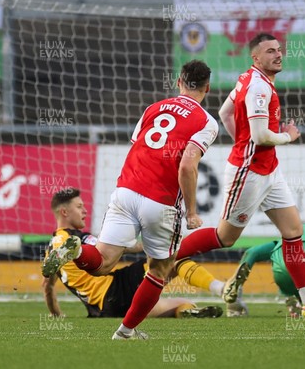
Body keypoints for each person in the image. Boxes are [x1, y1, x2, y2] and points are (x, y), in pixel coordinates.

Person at [172, 33, 305, 318]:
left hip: (269, 171)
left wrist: (241, 140)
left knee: (293, 232)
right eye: (269, 51)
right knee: (225, 237)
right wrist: (287, 136)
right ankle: (169, 255)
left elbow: (225, 111)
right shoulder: (258, 88)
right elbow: (260, 135)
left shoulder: (249, 79)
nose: (278, 55)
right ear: (256, 57)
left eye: (279, 50)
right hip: (249, 172)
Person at [42, 60, 219, 339]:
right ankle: (125, 332)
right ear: (208, 87)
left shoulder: (153, 108)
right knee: (160, 269)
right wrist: (192, 211)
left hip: (125, 190)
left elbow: (138, 144)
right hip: (159, 201)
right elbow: (187, 166)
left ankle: (74, 250)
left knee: (101, 262)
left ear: (178, 83)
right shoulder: (206, 122)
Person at [42, 188, 223, 319]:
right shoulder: (77, 238)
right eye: (79, 206)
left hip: (105, 310)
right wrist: (154, 246)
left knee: (175, 304)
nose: (85, 210)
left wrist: (56, 314)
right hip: (116, 287)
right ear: (64, 212)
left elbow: (47, 287)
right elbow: (111, 250)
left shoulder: (51, 250)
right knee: (172, 260)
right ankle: (220, 288)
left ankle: (184, 311)